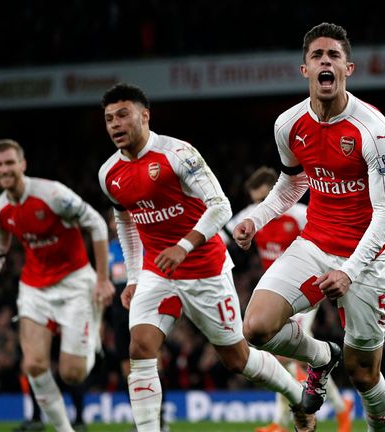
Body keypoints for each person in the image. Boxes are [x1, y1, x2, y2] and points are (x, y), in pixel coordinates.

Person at [98, 83, 307, 432]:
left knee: (237, 358)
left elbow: (221, 206)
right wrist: (134, 276)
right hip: (157, 271)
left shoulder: (179, 154)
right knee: (140, 347)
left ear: (144, 115)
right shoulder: (109, 174)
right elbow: (126, 222)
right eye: (108, 119)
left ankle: (297, 394)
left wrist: (184, 245)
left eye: (123, 115)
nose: (116, 124)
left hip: (204, 268)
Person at [234, 23, 385, 432]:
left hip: (368, 256)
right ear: (304, 69)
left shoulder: (372, 130)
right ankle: (322, 357)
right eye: (317, 56)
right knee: (255, 327)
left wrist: (349, 270)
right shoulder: (288, 125)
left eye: (334, 56)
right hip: (315, 243)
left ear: (349, 68)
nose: (326, 61)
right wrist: (257, 217)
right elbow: (293, 182)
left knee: (364, 375)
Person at [0, 139, 114, 432]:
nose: (4, 169)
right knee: (33, 365)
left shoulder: (53, 194)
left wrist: (102, 279)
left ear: (23, 164)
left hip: (75, 283)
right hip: (34, 287)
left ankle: (91, 339)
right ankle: (64, 430)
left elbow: (96, 223)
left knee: (72, 374)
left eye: (10, 163)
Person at [224, 167, 353, 432]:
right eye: (255, 200)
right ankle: (339, 407)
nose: (259, 206)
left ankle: (283, 420)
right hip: (275, 293)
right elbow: (220, 235)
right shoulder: (252, 215)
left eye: (263, 199)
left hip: (306, 290)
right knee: (288, 356)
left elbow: (328, 243)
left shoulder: (299, 215)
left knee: (286, 356)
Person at [107, 211, 169, 432]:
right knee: (127, 370)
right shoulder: (110, 250)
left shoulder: (147, 244)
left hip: (145, 308)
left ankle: (160, 421)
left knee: (153, 363)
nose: (117, 225)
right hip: (119, 313)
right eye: (113, 222)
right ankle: (140, 420)